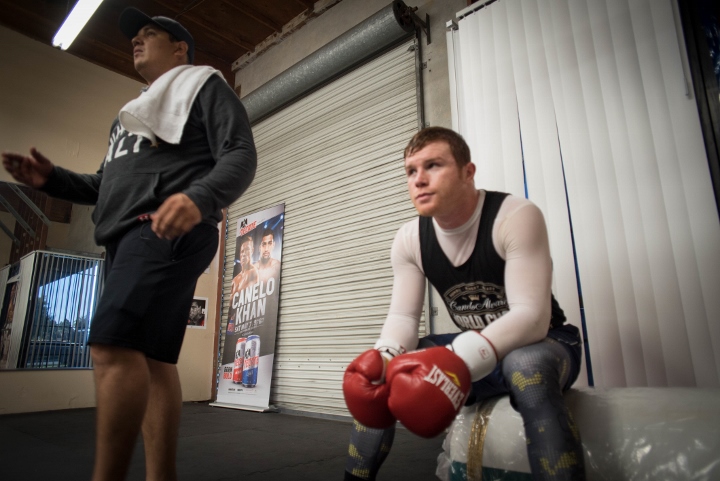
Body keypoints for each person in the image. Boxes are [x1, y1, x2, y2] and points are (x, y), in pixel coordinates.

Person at [2, 7, 256, 481]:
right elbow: (104, 183)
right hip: (126, 235)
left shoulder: (203, 85)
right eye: (134, 36)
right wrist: (51, 178)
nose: (136, 41)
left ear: (180, 48)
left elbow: (241, 152)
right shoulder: (132, 117)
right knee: (155, 362)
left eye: (150, 34)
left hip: (160, 226)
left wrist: (199, 197)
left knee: (112, 346)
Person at [342, 127, 585, 481]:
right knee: (382, 373)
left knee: (526, 363)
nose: (419, 180)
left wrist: (458, 358)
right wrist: (387, 355)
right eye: (411, 171)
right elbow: (403, 316)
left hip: (546, 345)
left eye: (433, 166)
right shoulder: (410, 238)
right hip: (478, 353)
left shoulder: (513, 215)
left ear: (468, 172)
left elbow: (532, 316)